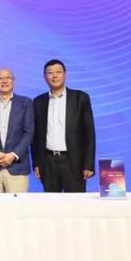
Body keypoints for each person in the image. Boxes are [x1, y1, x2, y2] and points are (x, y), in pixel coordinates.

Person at [32, 59, 96, 192]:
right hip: (48, 162)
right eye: (50, 73)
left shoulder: (80, 98)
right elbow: (35, 137)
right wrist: (36, 163)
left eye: (58, 72)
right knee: (51, 202)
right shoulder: (38, 102)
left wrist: (88, 164)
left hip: (74, 162)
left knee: (76, 203)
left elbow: (89, 134)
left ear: (65, 74)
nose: (54, 76)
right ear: (44, 77)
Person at [0, 68, 35, 193]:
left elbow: (29, 132)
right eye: (0, 78)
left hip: (17, 167)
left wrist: (13, 155)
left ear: (13, 80)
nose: (4, 81)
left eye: (8, 77)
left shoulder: (26, 103)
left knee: (18, 205)